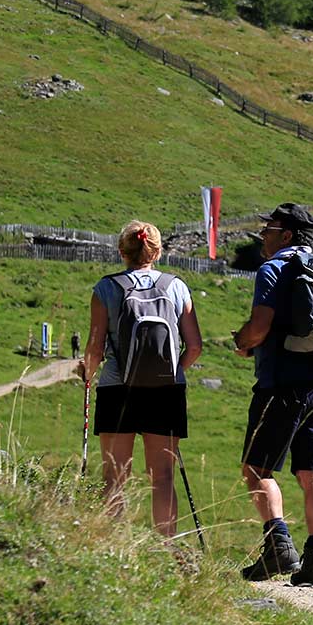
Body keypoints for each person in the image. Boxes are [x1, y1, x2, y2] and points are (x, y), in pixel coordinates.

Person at [232, 202, 313, 586]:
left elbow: (260, 327)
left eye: (269, 229)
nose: (263, 235)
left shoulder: (274, 268)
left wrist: (241, 342)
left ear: (287, 235)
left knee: (255, 468)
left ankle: (278, 547)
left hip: (282, 385)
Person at [79, 220, 203, 541]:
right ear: (157, 251)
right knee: (162, 477)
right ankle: (167, 548)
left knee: (114, 476)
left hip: (117, 389)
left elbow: (94, 347)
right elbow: (195, 345)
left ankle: (113, 548)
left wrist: (87, 373)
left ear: (122, 251)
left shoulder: (105, 288)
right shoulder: (176, 286)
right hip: (166, 392)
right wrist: (174, 372)